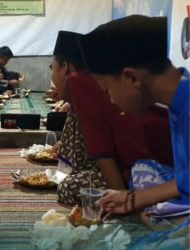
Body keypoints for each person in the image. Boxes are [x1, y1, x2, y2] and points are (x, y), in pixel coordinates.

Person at [78, 15, 189, 231]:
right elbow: (186, 180)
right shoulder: (178, 103)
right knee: (142, 170)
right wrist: (132, 198)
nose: (111, 100)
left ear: (132, 78)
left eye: (108, 90)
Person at [51, 31, 173, 206]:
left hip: (149, 170)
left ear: (66, 68)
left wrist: (123, 199)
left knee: (68, 188)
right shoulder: (92, 81)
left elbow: (102, 151)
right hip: (160, 164)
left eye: (51, 68)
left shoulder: (77, 81)